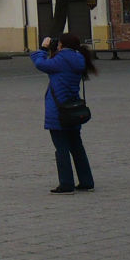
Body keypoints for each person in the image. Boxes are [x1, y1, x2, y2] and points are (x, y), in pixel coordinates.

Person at [30, 32, 96, 193]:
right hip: (73, 109)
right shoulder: (78, 58)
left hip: (58, 110)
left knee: (61, 148)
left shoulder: (61, 60)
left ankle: (66, 184)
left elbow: (40, 64)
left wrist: (43, 48)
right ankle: (86, 181)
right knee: (77, 146)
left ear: (62, 45)